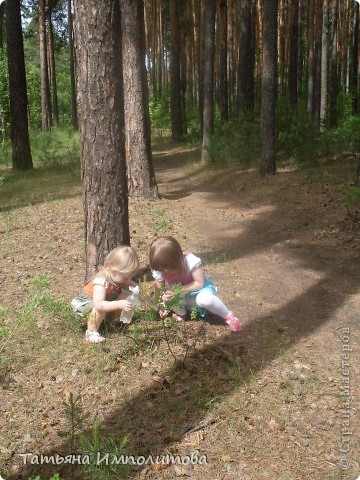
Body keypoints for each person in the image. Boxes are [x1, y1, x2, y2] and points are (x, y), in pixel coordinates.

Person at [149, 236, 244, 332]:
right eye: (161, 270)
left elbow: (199, 283)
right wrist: (162, 305)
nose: (164, 272)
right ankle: (182, 313)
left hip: (198, 291)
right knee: (166, 296)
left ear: (176, 261)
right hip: (180, 295)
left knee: (206, 300)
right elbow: (159, 290)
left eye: (167, 269)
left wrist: (178, 290)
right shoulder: (160, 269)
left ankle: (228, 315)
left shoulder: (190, 261)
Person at [71, 245, 140, 343]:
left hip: (103, 302)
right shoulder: (101, 281)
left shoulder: (117, 277)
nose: (127, 280)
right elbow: (99, 305)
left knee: (126, 293)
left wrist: (134, 288)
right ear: (114, 271)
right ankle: (91, 333)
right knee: (101, 308)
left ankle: (112, 321)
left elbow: (130, 286)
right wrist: (118, 304)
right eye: (125, 278)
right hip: (84, 306)